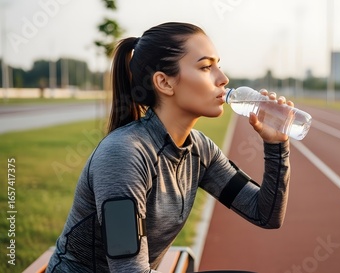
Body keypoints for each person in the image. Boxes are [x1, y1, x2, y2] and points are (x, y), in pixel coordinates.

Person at [46, 22, 292, 272]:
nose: (223, 79)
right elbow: (129, 270)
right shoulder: (123, 154)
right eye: (206, 67)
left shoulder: (199, 150)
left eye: (218, 64)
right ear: (164, 83)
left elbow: (265, 214)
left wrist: (276, 146)